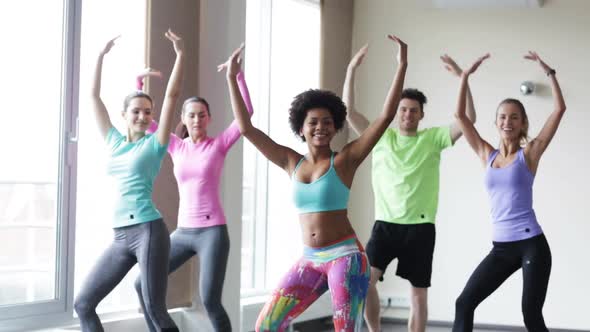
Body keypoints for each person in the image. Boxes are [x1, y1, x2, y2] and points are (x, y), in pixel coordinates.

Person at [224, 35, 407, 332]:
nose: (320, 127)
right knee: (267, 325)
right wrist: (232, 78)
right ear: (301, 127)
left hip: (345, 258)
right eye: (313, 122)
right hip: (309, 259)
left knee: (346, 328)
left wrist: (402, 67)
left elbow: (385, 117)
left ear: (335, 127)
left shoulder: (345, 159)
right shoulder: (290, 161)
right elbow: (246, 128)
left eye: (326, 122)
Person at [344, 50, 477, 332]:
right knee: (364, 282)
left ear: (421, 114)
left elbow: (469, 119)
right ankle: (375, 330)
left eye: (413, 110)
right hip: (386, 225)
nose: (407, 114)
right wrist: (352, 69)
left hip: (420, 227)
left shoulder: (433, 139)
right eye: (403, 109)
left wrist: (462, 79)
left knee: (418, 294)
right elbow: (349, 111)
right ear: (396, 112)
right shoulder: (381, 136)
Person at [73, 30, 184, 332]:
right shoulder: (113, 141)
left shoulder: (154, 144)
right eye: (136, 111)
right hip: (121, 236)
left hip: (148, 229)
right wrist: (99, 57)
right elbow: (93, 96)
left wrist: (180, 55)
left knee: (155, 309)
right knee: (83, 303)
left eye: (148, 112)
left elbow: (172, 96)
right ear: (124, 114)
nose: (143, 116)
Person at [133, 60, 253, 332]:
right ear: (184, 119)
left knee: (210, 300)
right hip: (184, 232)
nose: (197, 119)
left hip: (212, 232)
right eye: (191, 115)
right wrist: (138, 85)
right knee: (142, 284)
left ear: (209, 118)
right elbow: (146, 121)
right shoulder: (175, 146)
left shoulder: (219, 145)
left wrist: (237, 77)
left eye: (202, 114)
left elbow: (247, 112)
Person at [452, 51, 565, 332]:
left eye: (514, 117)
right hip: (501, 248)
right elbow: (460, 116)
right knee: (464, 303)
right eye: (502, 117)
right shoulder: (486, 154)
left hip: (531, 245)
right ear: (496, 122)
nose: (507, 122)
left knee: (531, 314)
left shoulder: (530, 154)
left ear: (522, 123)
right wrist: (464, 77)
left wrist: (549, 72)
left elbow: (559, 110)